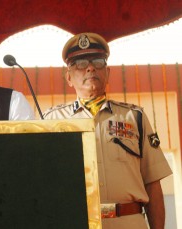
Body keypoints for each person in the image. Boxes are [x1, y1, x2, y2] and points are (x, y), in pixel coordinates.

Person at [43, 32, 172, 229]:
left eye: (98, 61)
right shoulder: (51, 120)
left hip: (129, 222)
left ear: (108, 73)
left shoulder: (135, 117)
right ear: (68, 77)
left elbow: (152, 183)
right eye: (80, 63)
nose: (90, 68)